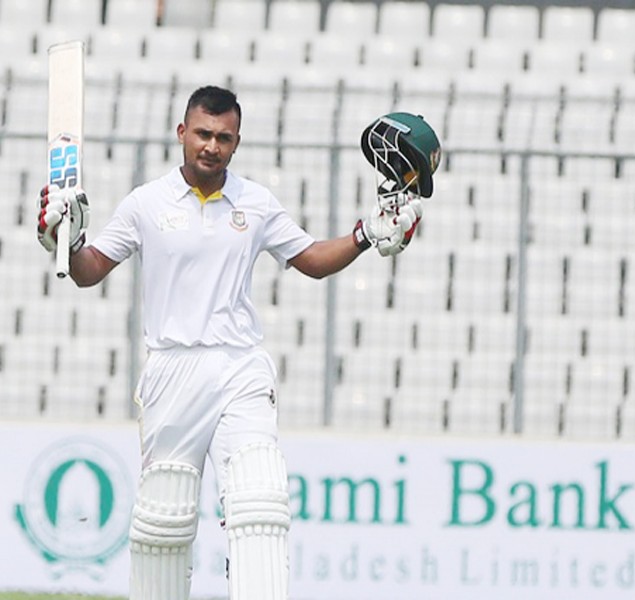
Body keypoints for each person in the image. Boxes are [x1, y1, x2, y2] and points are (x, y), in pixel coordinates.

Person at [37, 86, 440, 600]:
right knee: (164, 521)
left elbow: (310, 260)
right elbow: (89, 270)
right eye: (203, 134)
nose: (212, 146)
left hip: (239, 366)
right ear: (182, 133)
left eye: (223, 138)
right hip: (171, 369)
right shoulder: (146, 203)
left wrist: (363, 234)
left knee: (260, 504)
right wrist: (64, 240)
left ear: (237, 142)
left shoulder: (255, 201)